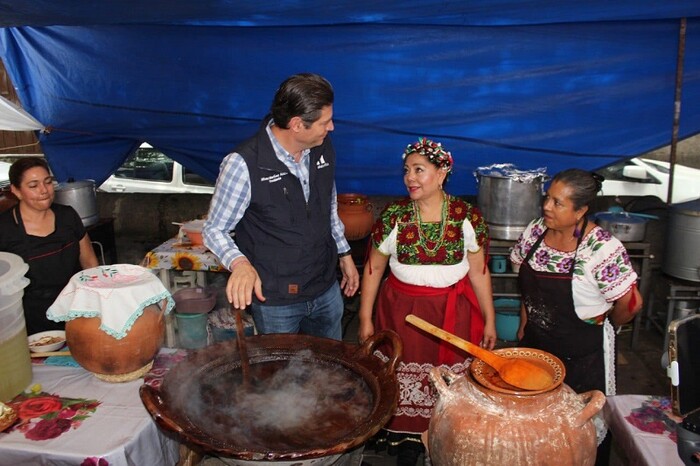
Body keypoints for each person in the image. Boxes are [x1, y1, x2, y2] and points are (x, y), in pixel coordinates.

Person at [357, 137, 497, 466]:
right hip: (400, 313)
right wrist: (365, 319)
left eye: (419, 170)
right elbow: (374, 269)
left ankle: (444, 435)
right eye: (407, 170)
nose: (410, 178)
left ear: (442, 172)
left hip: (452, 314)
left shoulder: (467, 217)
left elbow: (479, 272)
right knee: (402, 374)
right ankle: (407, 440)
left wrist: (490, 319)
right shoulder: (394, 216)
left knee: (447, 382)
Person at [203, 73, 359, 341]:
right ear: (297, 124)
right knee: (282, 376)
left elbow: (328, 204)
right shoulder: (243, 164)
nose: (331, 127)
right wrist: (239, 263)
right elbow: (214, 229)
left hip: (324, 287)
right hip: (277, 300)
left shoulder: (321, 147)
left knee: (331, 369)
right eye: (325, 122)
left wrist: (344, 254)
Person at [510, 168, 643, 466]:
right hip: (537, 349)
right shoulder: (535, 231)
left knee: (578, 440)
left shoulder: (601, 248)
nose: (547, 207)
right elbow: (525, 281)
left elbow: (631, 303)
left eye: (558, 203)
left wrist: (610, 324)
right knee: (535, 432)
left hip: (583, 358)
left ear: (581, 210)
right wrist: (524, 320)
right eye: (547, 198)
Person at [0, 157, 99, 335]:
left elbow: (90, 264)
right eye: (33, 185)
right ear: (17, 191)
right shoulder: (5, 229)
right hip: (31, 323)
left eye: (48, 182)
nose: (44, 190)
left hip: (76, 313)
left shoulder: (68, 216)